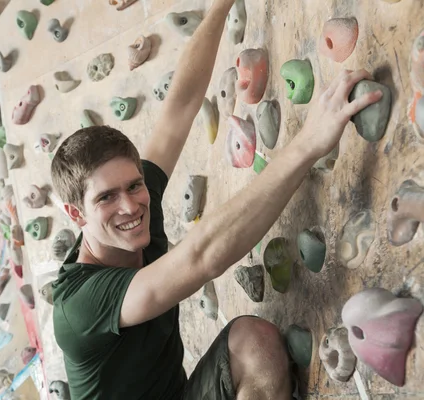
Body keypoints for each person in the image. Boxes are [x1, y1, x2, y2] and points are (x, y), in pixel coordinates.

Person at [49, 0, 383, 398]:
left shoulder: (135, 208)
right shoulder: (80, 306)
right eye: (106, 197)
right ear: (76, 213)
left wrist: (220, 8)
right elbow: (202, 258)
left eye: (134, 185)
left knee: (253, 342)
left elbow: (181, 105)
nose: (130, 207)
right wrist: (309, 142)